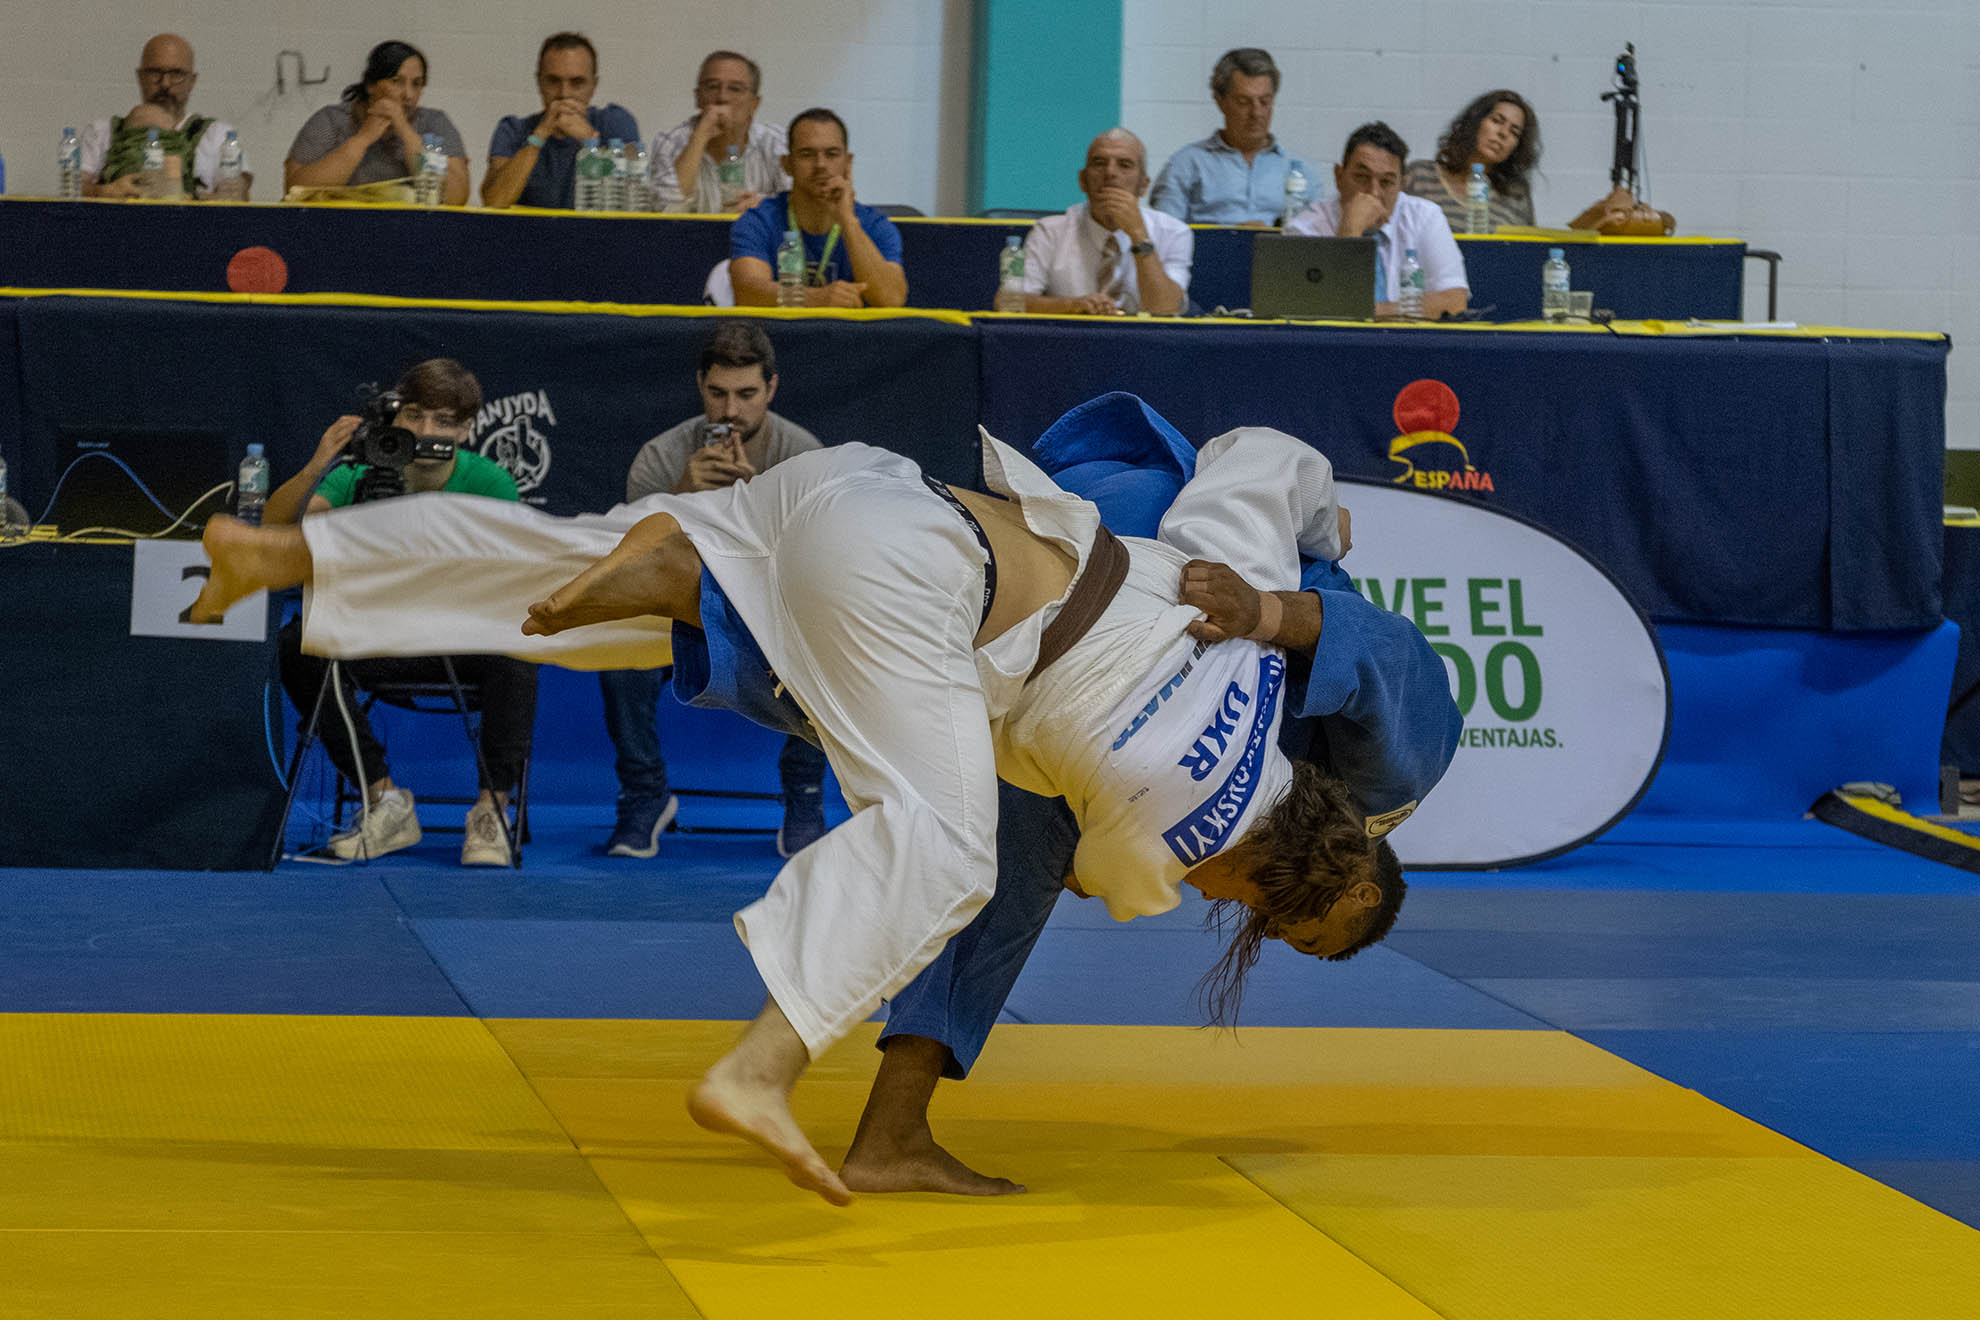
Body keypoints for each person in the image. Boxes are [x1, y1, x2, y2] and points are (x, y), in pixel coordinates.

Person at [190, 409, 1429, 1206]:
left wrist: (1301, 563)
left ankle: (293, 556)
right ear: (1273, 873)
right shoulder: (1171, 845)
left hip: (880, 486)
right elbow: (1098, 870)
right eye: (1268, 914)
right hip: (917, 587)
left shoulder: (1241, 629)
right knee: (950, 856)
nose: (1230, 915)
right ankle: (762, 1070)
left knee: (569, 565)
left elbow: (1260, 452)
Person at [263, 359, 538, 867]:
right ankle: (384, 800)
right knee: (297, 643)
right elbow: (280, 530)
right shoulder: (359, 473)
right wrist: (318, 465)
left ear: (467, 429)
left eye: (444, 421)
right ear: (394, 416)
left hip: (457, 639)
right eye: (414, 415)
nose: (426, 431)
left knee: (519, 647)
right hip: (378, 639)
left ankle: (491, 811)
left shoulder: (489, 482)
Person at [600, 321, 830, 859]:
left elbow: (820, 565)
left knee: (828, 642)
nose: (731, 411)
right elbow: (632, 567)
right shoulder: (661, 458)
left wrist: (757, 501)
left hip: (773, 615)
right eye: (718, 393)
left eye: (746, 394)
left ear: (771, 388)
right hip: (679, 615)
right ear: (701, 385)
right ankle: (645, 795)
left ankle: (804, 794)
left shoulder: (804, 457)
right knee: (617, 656)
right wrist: (681, 498)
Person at [1288, 121, 1469, 320]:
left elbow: (1454, 302)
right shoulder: (1305, 228)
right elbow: (1307, 307)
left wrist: (1370, 311)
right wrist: (1350, 231)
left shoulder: (1425, 217)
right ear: (1339, 177)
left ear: (1401, 185)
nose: (1374, 192)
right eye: (1362, 177)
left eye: (1386, 182)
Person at [729, 109, 908, 308]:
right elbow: (746, 293)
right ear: (787, 164)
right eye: (807, 154)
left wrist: (848, 222)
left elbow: (891, 299)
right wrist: (813, 298)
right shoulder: (758, 221)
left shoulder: (875, 226)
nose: (820, 164)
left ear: (847, 163)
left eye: (832, 154)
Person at [1020, 129, 1191, 317]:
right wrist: (1071, 306)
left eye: (1124, 165)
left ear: (1143, 185)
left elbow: (1166, 308)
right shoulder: (1049, 232)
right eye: (1099, 163)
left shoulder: (1174, 232)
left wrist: (1140, 237)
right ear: (1083, 181)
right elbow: (1009, 301)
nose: (1110, 173)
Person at [285, 40, 469, 204]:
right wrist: (362, 139)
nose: (408, 94)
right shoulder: (331, 120)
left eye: (416, 84)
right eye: (396, 81)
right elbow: (295, 190)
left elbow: (455, 196)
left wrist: (405, 131)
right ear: (370, 85)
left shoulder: (434, 125)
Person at [1148, 48, 1312, 226]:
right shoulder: (1186, 165)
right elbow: (1164, 234)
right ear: (1220, 101)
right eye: (1243, 102)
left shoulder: (1301, 169)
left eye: (1265, 101)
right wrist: (1235, 236)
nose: (1256, 113)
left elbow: (1316, 237)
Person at [82, 33, 250, 200]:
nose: (165, 83)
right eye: (155, 72)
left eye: (176, 73)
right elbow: (76, 189)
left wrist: (210, 201)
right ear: (140, 77)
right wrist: (103, 191)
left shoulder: (219, 137)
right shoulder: (100, 133)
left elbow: (241, 195)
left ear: (192, 81)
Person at [482, 33, 639, 210]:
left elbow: (633, 199)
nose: (564, 93)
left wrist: (590, 140)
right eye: (553, 81)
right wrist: (538, 136)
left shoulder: (615, 121)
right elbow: (494, 201)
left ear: (593, 85)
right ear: (540, 83)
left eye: (577, 82)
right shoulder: (513, 129)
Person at [650, 50, 788, 215]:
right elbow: (665, 211)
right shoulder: (670, 142)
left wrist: (766, 207)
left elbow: (802, 207)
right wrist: (699, 138)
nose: (722, 97)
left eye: (735, 89)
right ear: (698, 97)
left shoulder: (777, 142)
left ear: (754, 104)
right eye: (712, 87)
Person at [1403, 90, 1540, 231]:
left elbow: (1527, 244)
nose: (1503, 133)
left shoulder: (1516, 195)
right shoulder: (1419, 176)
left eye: (1514, 132)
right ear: (1475, 123)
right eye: (1496, 121)